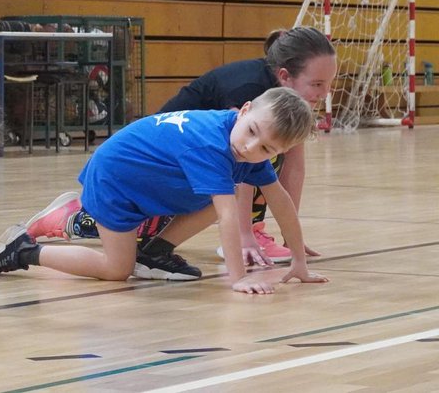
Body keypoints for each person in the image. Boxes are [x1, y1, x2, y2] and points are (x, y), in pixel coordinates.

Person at [26, 28, 337, 265]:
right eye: (317, 84)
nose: (324, 94)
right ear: (284, 76)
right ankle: (72, 219)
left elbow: (291, 170)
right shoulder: (250, 92)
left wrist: (291, 239)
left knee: (262, 161)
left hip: (190, 166)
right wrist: (243, 236)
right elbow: (236, 176)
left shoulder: (286, 109)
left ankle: (155, 250)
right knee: (126, 239)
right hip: (152, 165)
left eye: (330, 84)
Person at [0, 87, 329, 294]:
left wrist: (298, 260)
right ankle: (23, 250)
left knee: (228, 189)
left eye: (266, 149)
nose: (251, 148)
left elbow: (281, 202)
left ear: (279, 152)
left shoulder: (242, 146)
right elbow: (227, 216)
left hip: (147, 183)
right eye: (251, 131)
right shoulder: (210, 144)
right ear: (244, 110)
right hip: (116, 181)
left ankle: (154, 252)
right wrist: (237, 279)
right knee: (117, 270)